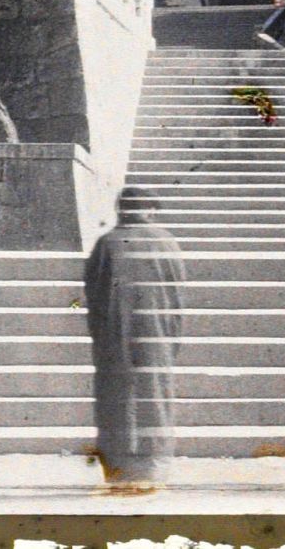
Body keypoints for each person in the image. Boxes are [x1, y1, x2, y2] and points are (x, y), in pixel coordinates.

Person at [84, 185, 187, 489]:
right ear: (149, 211)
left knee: (117, 398)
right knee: (154, 394)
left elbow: (94, 295)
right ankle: (153, 467)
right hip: (156, 335)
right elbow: (177, 295)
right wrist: (170, 336)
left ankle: (120, 468)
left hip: (116, 337)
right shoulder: (166, 243)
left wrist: (103, 336)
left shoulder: (107, 244)